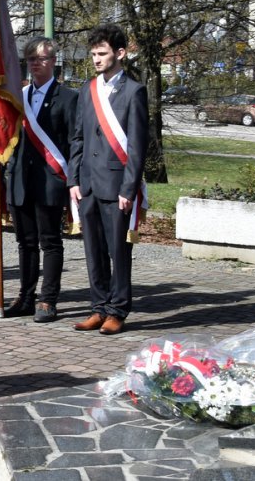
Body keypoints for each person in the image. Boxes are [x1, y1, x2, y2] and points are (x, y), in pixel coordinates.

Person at [68, 24, 148, 336]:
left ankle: (118, 310)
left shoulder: (134, 92)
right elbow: (77, 138)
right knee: (93, 251)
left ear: (120, 53)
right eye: (93, 55)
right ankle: (98, 307)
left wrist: (129, 188)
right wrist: (73, 179)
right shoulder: (88, 90)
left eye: (102, 54)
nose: (97, 60)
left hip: (117, 187)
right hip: (87, 184)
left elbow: (137, 147)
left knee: (118, 251)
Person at [6, 37, 78, 322]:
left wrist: (72, 180)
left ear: (54, 62)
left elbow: (74, 143)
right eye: (32, 60)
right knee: (25, 243)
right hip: (21, 181)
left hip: (50, 180)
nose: (36, 64)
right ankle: (25, 296)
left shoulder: (68, 98)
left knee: (50, 242)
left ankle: (48, 300)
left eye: (42, 59)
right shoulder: (18, 96)